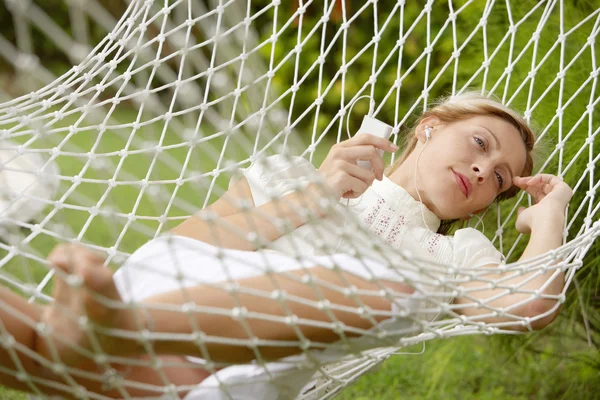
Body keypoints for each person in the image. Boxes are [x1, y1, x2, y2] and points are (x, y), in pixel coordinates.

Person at [0, 92, 573, 399]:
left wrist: (552, 214)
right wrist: (313, 196)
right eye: (480, 142)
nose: (483, 167)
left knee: (392, 288)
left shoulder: (456, 256)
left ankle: (85, 342)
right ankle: (107, 334)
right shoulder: (297, 176)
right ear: (428, 125)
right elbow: (187, 243)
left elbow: (529, 303)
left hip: (226, 380)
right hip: (159, 301)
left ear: (480, 207)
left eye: (501, 178)